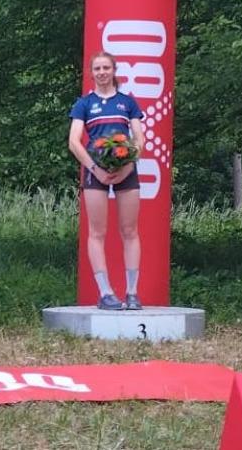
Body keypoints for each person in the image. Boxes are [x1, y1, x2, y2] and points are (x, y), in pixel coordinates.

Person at [68, 51, 145, 310]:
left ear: (114, 70)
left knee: (130, 231)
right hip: (96, 171)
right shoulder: (84, 104)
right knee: (97, 232)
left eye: (106, 68)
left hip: (126, 170)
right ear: (92, 73)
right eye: (97, 69)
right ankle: (105, 293)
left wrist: (129, 165)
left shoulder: (127, 102)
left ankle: (132, 293)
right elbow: (74, 142)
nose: (102, 72)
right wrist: (95, 169)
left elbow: (139, 139)